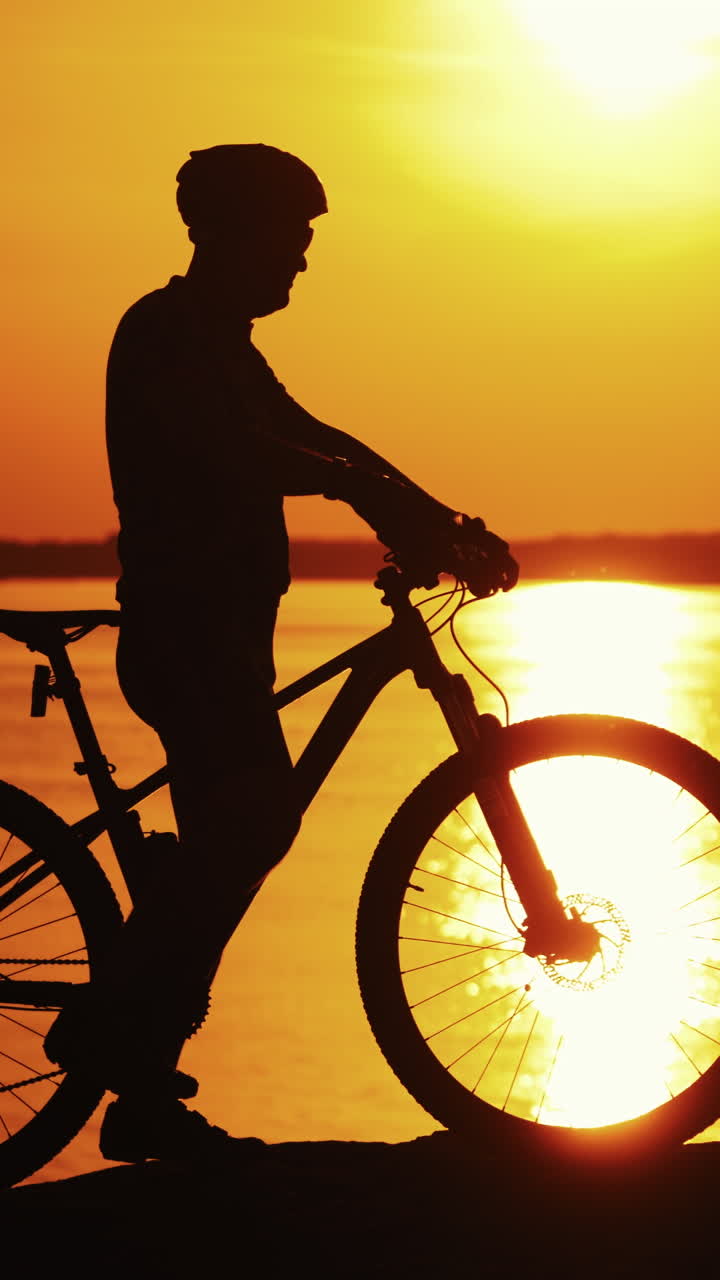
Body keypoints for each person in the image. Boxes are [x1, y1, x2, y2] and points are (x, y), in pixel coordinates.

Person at [44, 144, 518, 1164]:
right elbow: (244, 450)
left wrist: (441, 516)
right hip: (186, 639)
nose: (300, 262)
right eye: (291, 240)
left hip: (225, 640)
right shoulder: (165, 332)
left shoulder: (228, 344)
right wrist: (355, 488)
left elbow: (325, 435)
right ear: (231, 233)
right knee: (252, 822)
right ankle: (114, 1024)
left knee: (244, 835)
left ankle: (139, 1068)